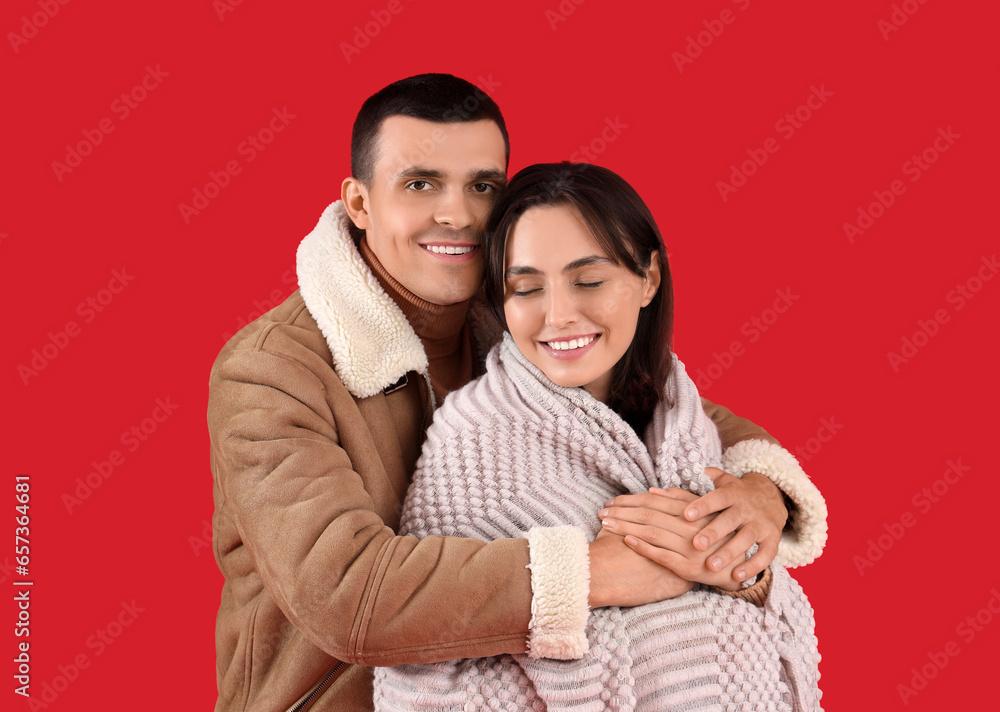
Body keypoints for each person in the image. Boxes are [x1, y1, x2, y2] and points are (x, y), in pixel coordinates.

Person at [207, 74, 827, 711]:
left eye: (483, 186)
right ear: (360, 204)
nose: (460, 214)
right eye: (420, 184)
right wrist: (592, 573)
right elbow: (344, 594)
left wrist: (761, 492)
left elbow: (660, 406)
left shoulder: (521, 312)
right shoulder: (270, 372)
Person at [374, 162, 823, 711]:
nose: (558, 315)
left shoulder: (680, 419)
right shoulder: (472, 450)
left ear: (648, 280)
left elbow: (751, 592)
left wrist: (746, 559)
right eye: (526, 288)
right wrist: (598, 594)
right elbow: (424, 677)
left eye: (588, 281)